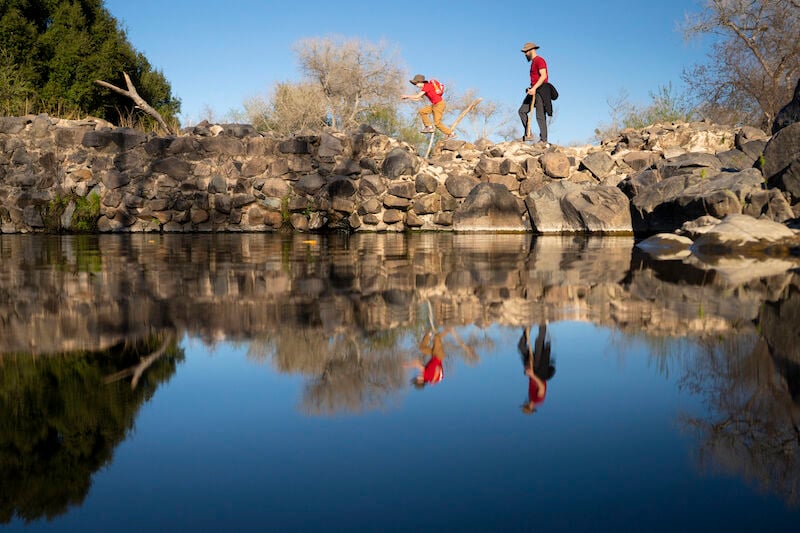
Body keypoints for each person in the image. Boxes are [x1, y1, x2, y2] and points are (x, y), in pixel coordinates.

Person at [518, 42, 557, 145]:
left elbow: (543, 76)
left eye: (526, 52)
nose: (525, 54)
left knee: (540, 116)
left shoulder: (539, 60)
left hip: (541, 90)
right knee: (522, 111)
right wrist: (531, 88)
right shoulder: (533, 62)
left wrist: (534, 88)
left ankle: (543, 140)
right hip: (533, 90)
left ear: (531, 50)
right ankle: (528, 134)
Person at [518, 323, 556, 414]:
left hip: (533, 370)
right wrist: (532, 374)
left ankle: (528, 328)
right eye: (526, 405)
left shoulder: (531, 397)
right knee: (539, 343)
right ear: (530, 407)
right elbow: (542, 387)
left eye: (525, 404)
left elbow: (532, 382)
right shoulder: (538, 400)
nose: (525, 403)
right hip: (539, 371)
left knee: (521, 347)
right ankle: (542, 322)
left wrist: (528, 371)